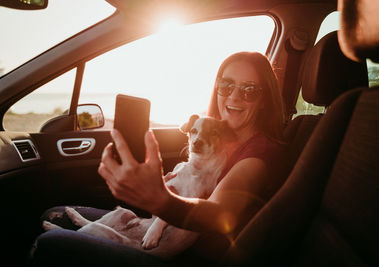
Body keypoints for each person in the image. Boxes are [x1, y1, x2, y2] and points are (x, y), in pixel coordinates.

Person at [29, 51, 288, 266]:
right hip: (155, 225)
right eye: (226, 85)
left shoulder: (260, 151)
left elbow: (220, 212)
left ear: (264, 100)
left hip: (185, 256)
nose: (232, 96)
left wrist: (160, 199)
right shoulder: (219, 135)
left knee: (49, 245)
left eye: (249, 90)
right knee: (56, 215)